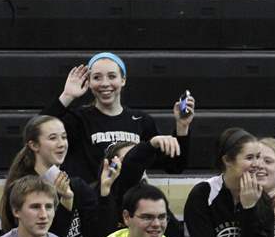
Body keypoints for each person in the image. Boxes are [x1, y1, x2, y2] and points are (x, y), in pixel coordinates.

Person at [41, 53, 192, 206]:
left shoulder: (141, 121)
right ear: (89, 82)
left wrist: (182, 125)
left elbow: (175, 166)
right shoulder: (78, 119)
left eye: (112, 76)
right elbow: (37, 131)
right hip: (91, 206)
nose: (105, 83)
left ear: (123, 80)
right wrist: (67, 96)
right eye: (97, 77)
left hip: (131, 208)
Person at [0, 114, 120, 237]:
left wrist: (105, 191)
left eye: (64, 137)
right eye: (53, 138)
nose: (62, 144)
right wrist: (66, 202)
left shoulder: (76, 185)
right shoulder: (21, 190)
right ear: (34, 145)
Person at [184, 127, 275, 237]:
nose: (257, 164)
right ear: (227, 160)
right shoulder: (204, 193)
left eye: (258, 157)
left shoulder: (261, 198)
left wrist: (249, 208)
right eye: (250, 158)